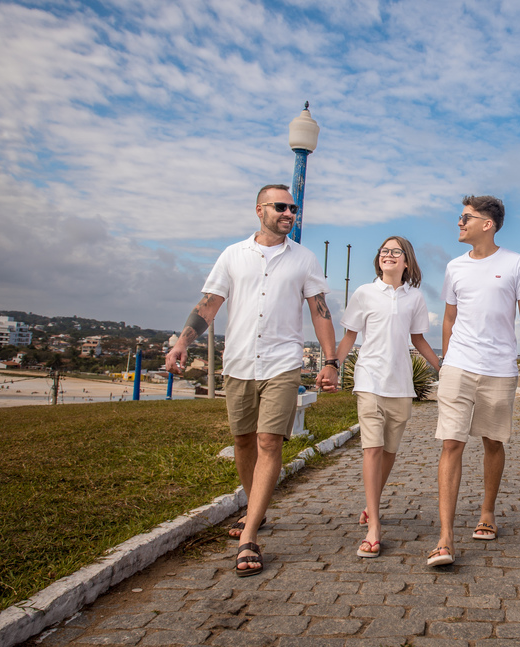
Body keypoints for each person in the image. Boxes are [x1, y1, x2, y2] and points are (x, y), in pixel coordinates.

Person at [164, 184, 339, 578]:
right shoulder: (233, 255)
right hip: (240, 362)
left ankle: (250, 536)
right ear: (260, 210)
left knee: (268, 441)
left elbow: (320, 311)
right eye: (281, 207)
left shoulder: (304, 259)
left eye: (293, 208)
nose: (289, 214)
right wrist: (181, 343)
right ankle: (255, 509)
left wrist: (330, 361)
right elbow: (208, 306)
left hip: (282, 363)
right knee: (243, 440)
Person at [429, 195, 520, 567]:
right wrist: (446, 361)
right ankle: (445, 538)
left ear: (487, 224)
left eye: (466, 217)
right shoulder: (454, 267)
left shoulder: (515, 264)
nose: (460, 223)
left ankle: (487, 511)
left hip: (499, 368)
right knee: (451, 443)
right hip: (458, 366)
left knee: (493, 441)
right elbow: (449, 318)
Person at [334, 236, 440, 559]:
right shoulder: (364, 293)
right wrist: (332, 366)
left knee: (389, 452)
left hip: (401, 385)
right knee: (372, 448)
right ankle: (374, 526)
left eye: (396, 251)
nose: (388, 255)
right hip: (369, 379)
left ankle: (371, 504)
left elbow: (418, 339)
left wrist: (442, 366)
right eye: (384, 251)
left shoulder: (415, 298)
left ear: (407, 261)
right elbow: (350, 336)